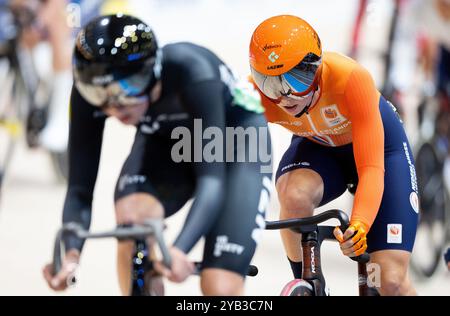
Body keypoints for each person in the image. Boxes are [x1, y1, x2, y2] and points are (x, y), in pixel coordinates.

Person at [41, 13, 272, 296]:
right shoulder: (93, 93)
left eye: (127, 89)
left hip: (237, 141)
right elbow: (79, 188)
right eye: (98, 96)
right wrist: (71, 257)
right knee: (132, 219)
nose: (115, 107)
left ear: (152, 71)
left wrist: (178, 249)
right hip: (169, 138)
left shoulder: (194, 73)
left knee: (219, 285)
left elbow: (211, 181)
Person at [249, 15, 418, 295]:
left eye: (295, 80)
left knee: (388, 281)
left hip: (383, 155)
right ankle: (310, 284)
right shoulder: (256, 95)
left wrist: (360, 224)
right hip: (321, 152)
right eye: (268, 82)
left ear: (315, 70)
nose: (284, 97)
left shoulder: (350, 78)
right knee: (293, 197)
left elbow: (372, 170)